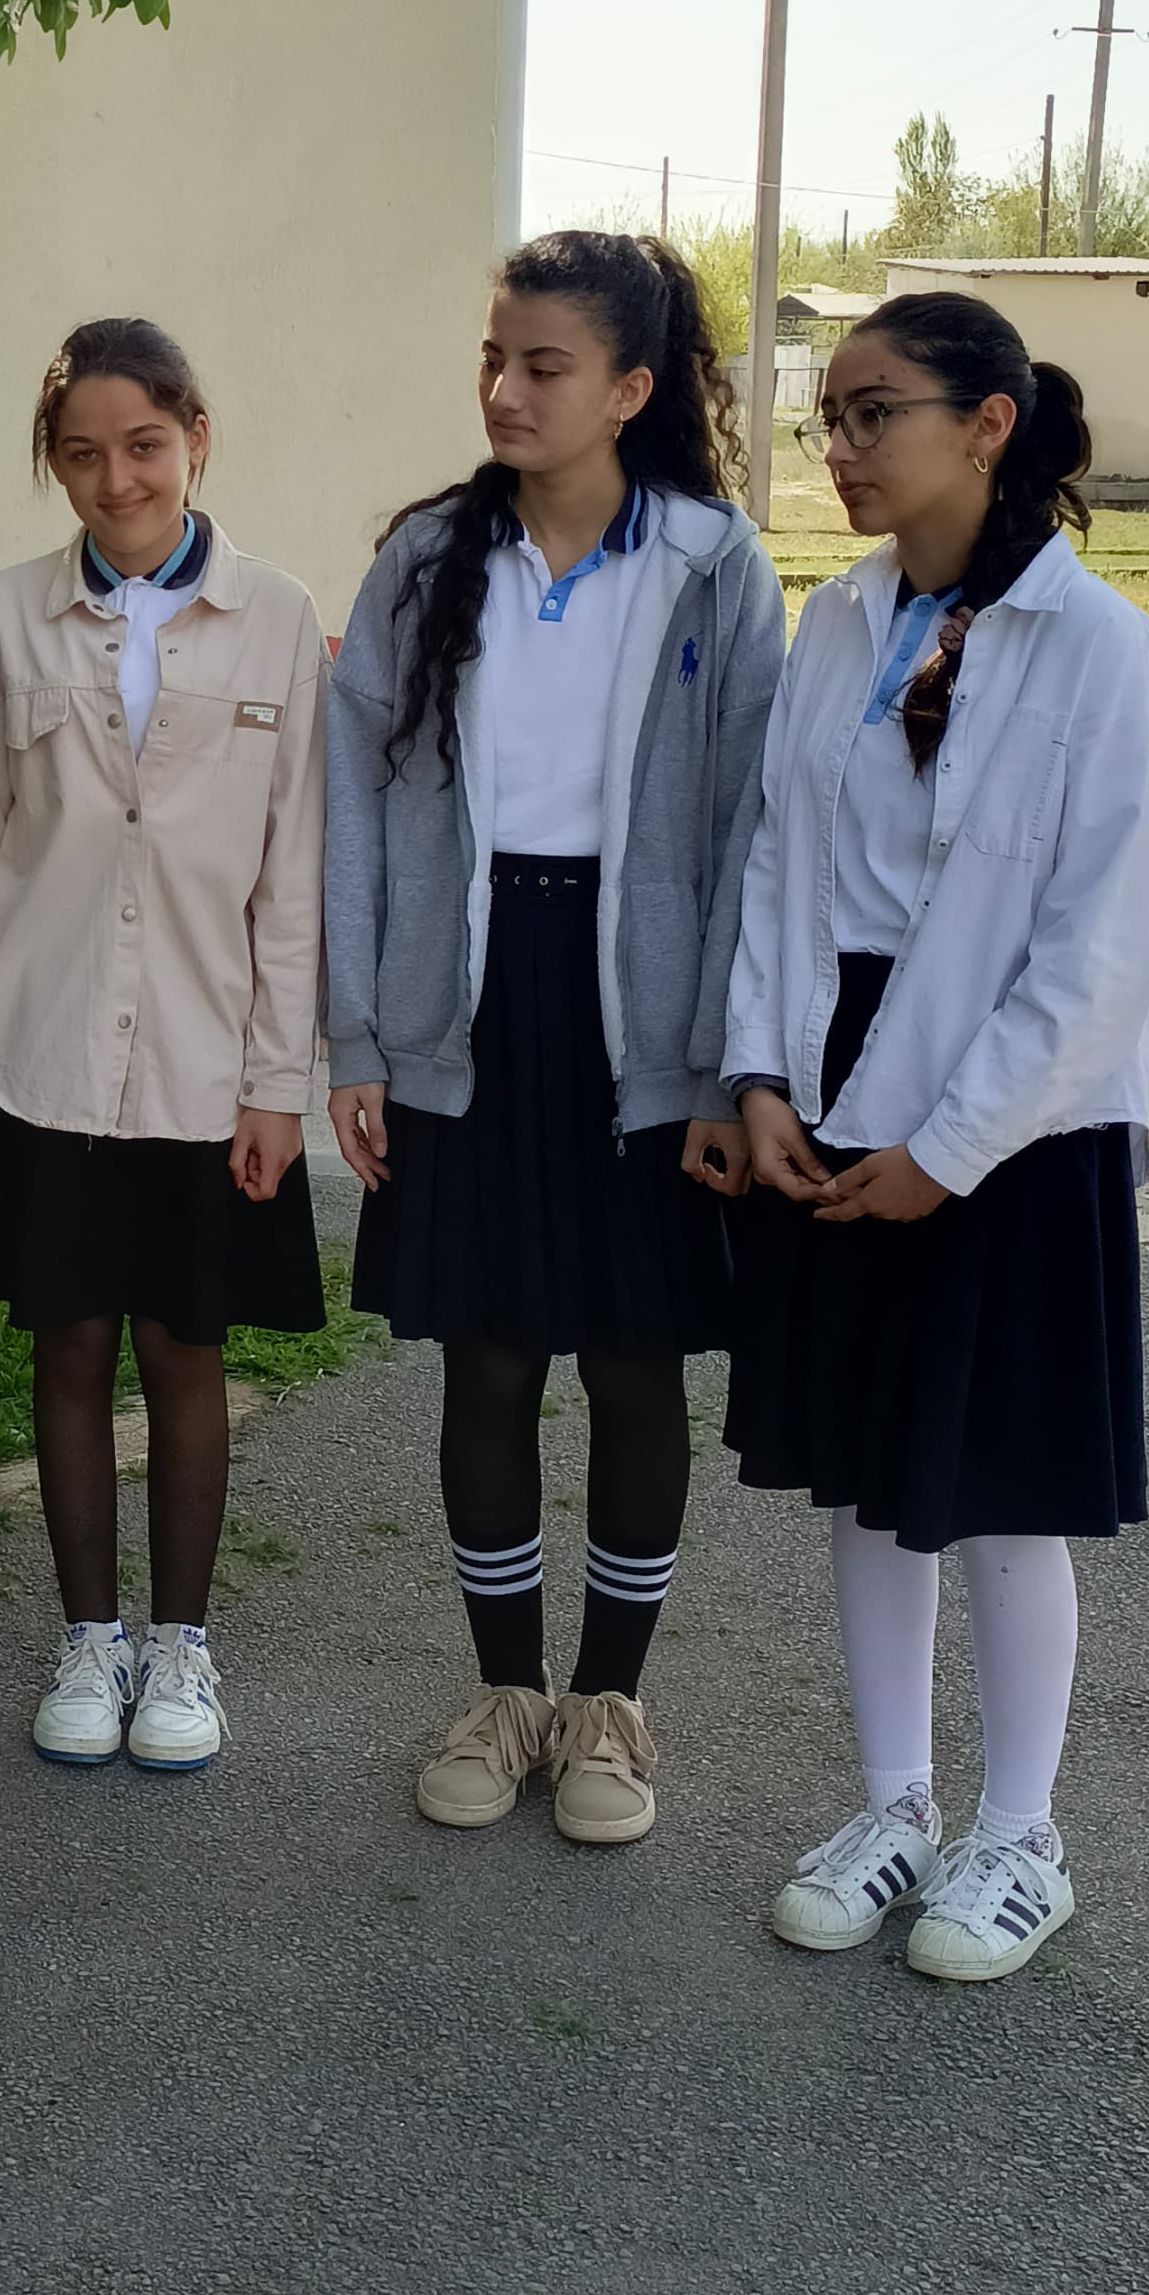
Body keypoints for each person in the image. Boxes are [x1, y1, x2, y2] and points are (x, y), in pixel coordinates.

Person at [728, 290, 1149, 1983]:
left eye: (876, 415)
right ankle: (894, 1806)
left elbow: (1094, 952)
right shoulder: (841, 625)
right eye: (830, 419)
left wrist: (952, 1146)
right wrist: (757, 1076)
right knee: (871, 1477)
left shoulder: (1100, 651)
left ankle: (1019, 1836)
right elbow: (778, 863)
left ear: (988, 426)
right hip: (836, 1077)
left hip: (1015, 1119)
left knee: (997, 1493)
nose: (842, 450)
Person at [324, 231, 782, 1851]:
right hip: (467, 1005)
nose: (505, 391)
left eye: (544, 366)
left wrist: (724, 1063)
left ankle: (609, 1709)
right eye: (494, 359)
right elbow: (358, 800)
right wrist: (359, 1035)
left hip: (638, 1019)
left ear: (632, 389)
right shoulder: (428, 558)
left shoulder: (713, 567)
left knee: (634, 1360)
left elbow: (750, 830)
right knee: (491, 1355)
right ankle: (506, 1695)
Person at [0, 316, 325, 1777]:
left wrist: (280, 1083)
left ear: (195, 438)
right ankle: (91, 1640)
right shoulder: (5, 619)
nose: (117, 479)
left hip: (209, 1067)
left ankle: (183, 1649)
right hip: (43, 1054)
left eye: (144, 445)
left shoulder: (278, 619)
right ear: (56, 465)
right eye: (81, 455)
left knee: (184, 1349)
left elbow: (294, 873)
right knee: (72, 1344)